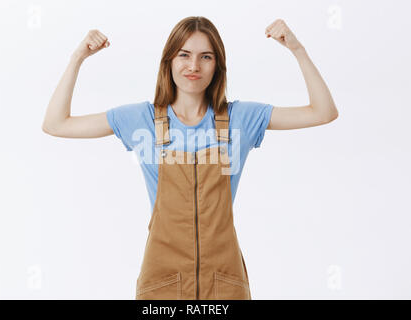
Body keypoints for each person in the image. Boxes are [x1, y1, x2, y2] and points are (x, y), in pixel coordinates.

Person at [42, 16, 338, 300]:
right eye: (184, 55)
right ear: (169, 61)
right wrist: (77, 58)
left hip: (224, 282)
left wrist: (298, 50)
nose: (193, 65)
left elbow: (323, 112)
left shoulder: (241, 118)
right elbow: (56, 124)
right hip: (162, 281)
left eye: (206, 57)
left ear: (217, 65)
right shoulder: (140, 119)